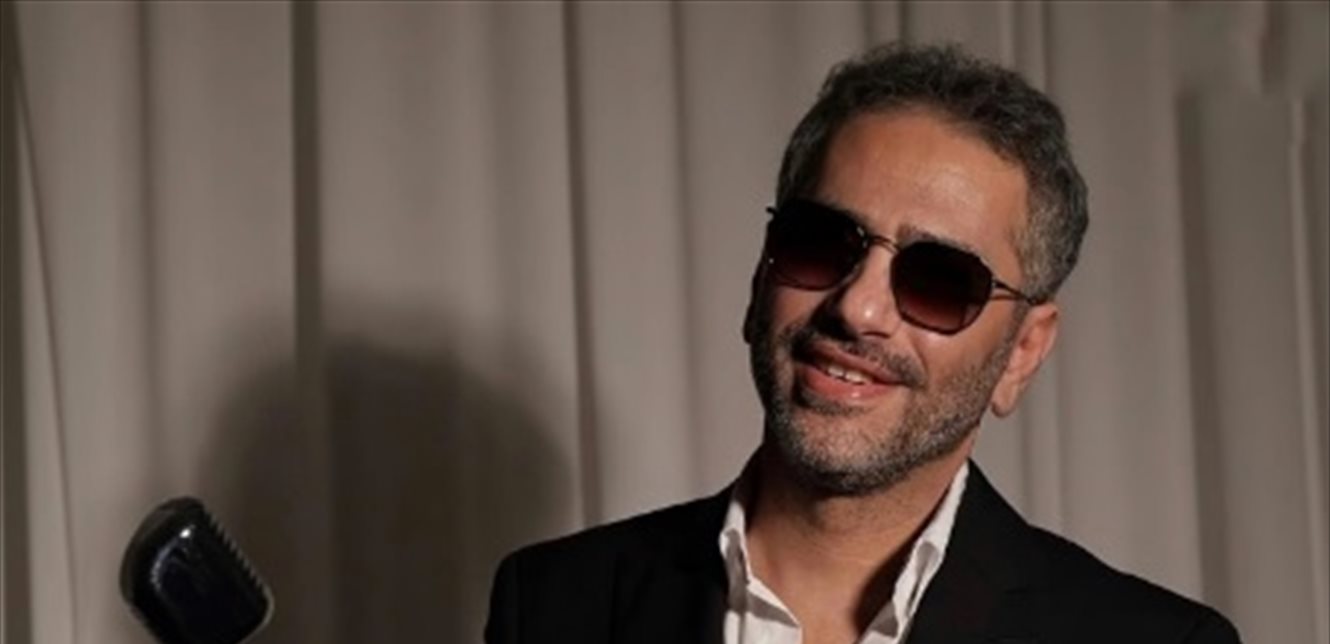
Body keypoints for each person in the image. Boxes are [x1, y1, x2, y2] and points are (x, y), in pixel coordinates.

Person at [484, 42, 1242, 644]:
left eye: (939, 280)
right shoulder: (554, 606)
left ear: (1023, 351)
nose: (859, 308)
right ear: (760, 275)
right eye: (821, 243)